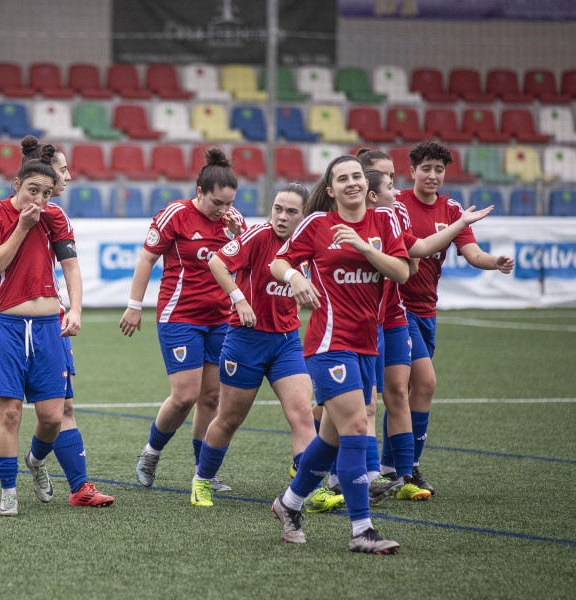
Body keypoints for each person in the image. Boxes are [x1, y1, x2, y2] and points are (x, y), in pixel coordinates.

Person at [0, 137, 114, 508]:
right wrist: (22, 225)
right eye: (60, 172)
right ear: (20, 183)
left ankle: (44, 466)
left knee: (56, 412)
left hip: (50, 327)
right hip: (6, 326)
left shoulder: (56, 216)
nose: (64, 181)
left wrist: (76, 309)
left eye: (51, 188)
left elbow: (71, 267)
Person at [268, 155, 410, 554]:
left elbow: (401, 272)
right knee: (355, 428)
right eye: (341, 179)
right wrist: (296, 276)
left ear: (367, 184)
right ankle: (362, 531)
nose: (351, 183)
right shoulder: (318, 224)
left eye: (357, 177)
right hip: (329, 344)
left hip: (367, 344)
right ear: (330, 190)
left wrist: (364, 247)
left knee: (330, 438)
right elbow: (278, 262)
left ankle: (290, 503)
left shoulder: (384, 221)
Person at [363, 167, 495, 503]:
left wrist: (461, 224)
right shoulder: (341, 225)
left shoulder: (395, 220)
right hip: (360, 323)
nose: (398, 191)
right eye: (391, 185)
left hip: (396, 315)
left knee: (411, 388)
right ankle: (344, 474)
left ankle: (403, 472)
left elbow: (417, 254)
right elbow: (408, 267)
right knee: (360, 404)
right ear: (372, 194)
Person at [392, 141, 514, 494]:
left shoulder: (452, 209)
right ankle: (408, 469)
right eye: (426, 168)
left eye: (439, 170)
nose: (432, 175)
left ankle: (394, 467)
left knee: (405, 389)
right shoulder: (396, 204)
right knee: (420, 384)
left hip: (427, 310)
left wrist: (496, 261)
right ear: (412, 171)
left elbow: (472, 253)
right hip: (396, 308)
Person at [120, 148, 245, 491]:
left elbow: (245, 265)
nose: (223, 210)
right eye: (217, 203)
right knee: (185, 395)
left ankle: (204, 471)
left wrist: (237, 233)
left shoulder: (233, 222)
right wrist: (134, 305)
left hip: (221, 320)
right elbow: (146, 260)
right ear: (199, 192)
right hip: (180, 317)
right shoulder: (175, 214)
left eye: (229, 204)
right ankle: (151, 452)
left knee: (211, 398)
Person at [190, 183, 316, 507]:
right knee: (229, 418)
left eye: (291, 211)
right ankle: (202, 479)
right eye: (277, 209)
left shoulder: (313, 243)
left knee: (302, 414)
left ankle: (305, 489)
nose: (282, 217)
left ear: (306, 216)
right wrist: (239, 299)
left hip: (287, 342)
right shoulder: (260, 235)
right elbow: (217, 262)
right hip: (246, 340)